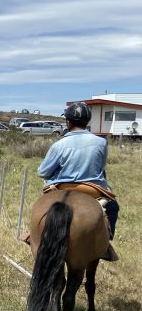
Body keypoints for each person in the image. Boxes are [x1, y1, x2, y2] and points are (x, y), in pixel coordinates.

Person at [37, 101, 120, 242]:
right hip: (92, 189)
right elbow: (101, 166)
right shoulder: (101, 142)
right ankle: (107, 239)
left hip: (61, 189)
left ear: (68, 122)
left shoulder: (59, 145)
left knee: (41, 210)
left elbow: (43, 172)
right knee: (113, 207)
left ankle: (34, 235)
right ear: (87, 121)